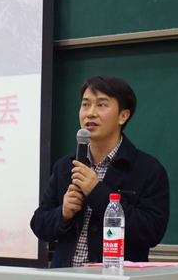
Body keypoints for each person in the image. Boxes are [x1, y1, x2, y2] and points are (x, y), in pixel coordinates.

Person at [31, 75, 170, 268]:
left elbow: (152, 231)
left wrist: (97, 192)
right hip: (64, 279)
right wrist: (63, 214)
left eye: (101, 105)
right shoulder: (65, 166)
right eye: (85, 105)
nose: (90, 113)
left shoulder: (148, 169)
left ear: (123, 116)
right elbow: (39, 224)